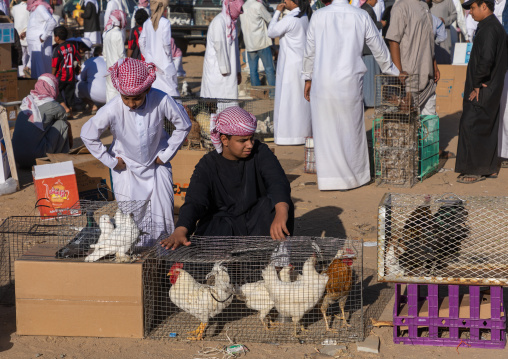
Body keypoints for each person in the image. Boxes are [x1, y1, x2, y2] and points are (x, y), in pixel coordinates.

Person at [81, 58, 192, 240]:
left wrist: (166, 155)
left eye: (137, 98)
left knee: (162, 217)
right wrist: (111, 162)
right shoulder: (112, 108)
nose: (131, 104)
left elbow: (184, 124)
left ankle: (161, 257)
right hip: (126, 169)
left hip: (157, 167)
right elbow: (88, 134)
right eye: (126, 98)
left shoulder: (161, 99)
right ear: (120, 93)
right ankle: (135, 260)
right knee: (131, 219)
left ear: (147, 90)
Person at [160, 106, 294, 250]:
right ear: (224, 139)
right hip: (222, 225)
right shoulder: (207, 165)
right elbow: (195, 201)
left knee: (280, 205)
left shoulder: (261, 152)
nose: (249, 145)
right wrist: (181, 229)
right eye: (242, 140)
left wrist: (281, 213)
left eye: (251, 139)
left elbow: (277, 182)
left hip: (257, 221)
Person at [302, 0, 399, 191]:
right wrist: (393, 71)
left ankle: (329, 179)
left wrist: (307, 77)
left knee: (326, 131)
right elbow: (378, 46)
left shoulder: (319, 16)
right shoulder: (360, 15)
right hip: (349, 83)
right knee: (351, 130)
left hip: (322, 82)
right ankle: (354, 177)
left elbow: (309, 51)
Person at [455, 0, 507, 183]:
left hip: (483, 87)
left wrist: (477, 83)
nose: (470, 12)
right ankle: (490, 168)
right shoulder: (491, 26)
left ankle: (474, 170)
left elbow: (486, 59)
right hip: (490, 85)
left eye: (473, 7)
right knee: (486, 125)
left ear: (484, 6)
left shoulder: (490, 29)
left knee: (472, 124)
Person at [267, 0, 312, 145]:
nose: (284, 1)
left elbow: (271, 32)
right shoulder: (304, 17)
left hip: (290, 67)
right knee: (300, 102)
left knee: (288, 102)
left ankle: (288, 136)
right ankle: (302, 134)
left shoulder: (290, 20)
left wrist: (277, 12)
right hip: (301, 65)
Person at [387, 0, 439, 116]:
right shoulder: (401, 6)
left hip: (428, 78)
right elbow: (393, 41)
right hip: (410, 77)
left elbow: (429, 39)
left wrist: (434, 65)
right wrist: (399, 71)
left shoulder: (424, 6)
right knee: (410, 123)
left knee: (429, 122)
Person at [12, 74, 72, 168]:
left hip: (17, 158)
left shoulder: (27, 102)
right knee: (62, 124)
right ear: (52, 87)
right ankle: (59, 158)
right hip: (36, 159)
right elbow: (65, 121)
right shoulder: (52, 105)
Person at [201, 0, 243, 99]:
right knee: (216, 101)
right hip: (218, 70)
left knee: (229, 101)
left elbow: (235, 49)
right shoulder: (219, 22)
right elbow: (219, 46)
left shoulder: (233, 23)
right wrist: (224, 68)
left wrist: (238, 70)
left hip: (230, 70)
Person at [139, 0, 180, 97]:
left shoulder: (146, 23)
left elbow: (141, 42)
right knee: (171, 92)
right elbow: (166, 43)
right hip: (164, 63)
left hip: (151, 64)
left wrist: (147, 56)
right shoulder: (165, 22)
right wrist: (169, 59)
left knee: (153, 92)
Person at [240, 0, 276, 87]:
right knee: (269, 69)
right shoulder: (258, 6)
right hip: (261, 42)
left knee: (253, 70)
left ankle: (256, 92)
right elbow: (270, 19)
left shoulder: (243, 6)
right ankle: (272, 92)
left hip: (249, 44)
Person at [361, 0, 386, 107]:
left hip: (368, 49)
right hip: (368, 49)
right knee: (371, 76)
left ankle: (371, 100)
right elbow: (370, 27)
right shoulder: (366, 9)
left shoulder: (366, 8)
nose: (376, 1)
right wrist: (382, 24)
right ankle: (371, 101)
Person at [52, 25, 81, 118]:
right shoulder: (72, 46)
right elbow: (78, 58)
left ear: (57, 37)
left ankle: (64, 108)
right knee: (70, 95)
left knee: (55, 91)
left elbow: (55, 65)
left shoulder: (57, 49)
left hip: (61, 76)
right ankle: (70, 113)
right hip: (71, 76)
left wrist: (52, 77)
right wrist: (78, 69)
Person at [26, 0, 57, 79]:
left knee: (42, 75)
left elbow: (52, 22)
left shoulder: (40, 7)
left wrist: (43, 37)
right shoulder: (33, 9)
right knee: (36, 76)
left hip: (40, 46)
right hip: (35, 48)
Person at [103, 10, 126, 102]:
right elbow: (121, 55)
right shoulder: (118, 34)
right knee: (118, 92)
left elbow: (104, 54)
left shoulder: (107, 34)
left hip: (109, 67)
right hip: (118, 68)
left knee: (109, 90)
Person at [76, 46, 107, 113]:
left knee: (78, 85)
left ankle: (92, 105)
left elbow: (82, 78)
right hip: (112, 95)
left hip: (97, 95)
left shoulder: (90, 61)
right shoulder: (111, 60)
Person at [11, 0, 30, 77]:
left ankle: (21, 71)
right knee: (28, 53)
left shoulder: (14, 8)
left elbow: (12, 16)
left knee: (21, 53)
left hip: (17, 32)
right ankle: (27, 68)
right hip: (27, 32)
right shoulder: (30, 8)